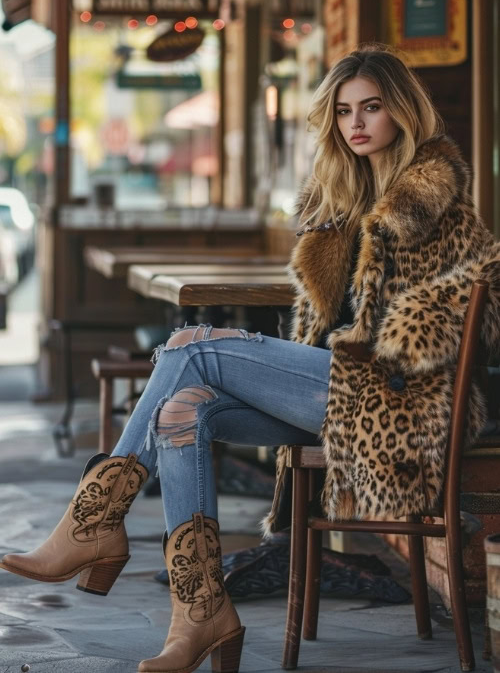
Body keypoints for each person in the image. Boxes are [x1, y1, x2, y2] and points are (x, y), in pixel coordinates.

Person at [1, 46, 499, 673]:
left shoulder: (434, 205)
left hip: (397, 408)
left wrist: (388, 337)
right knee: (183, 409)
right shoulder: (337, 209)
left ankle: (94, 521)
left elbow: (464, 319)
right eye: (344, 111)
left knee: (194, 347)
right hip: (330, 399)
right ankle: (201, 612)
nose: (357, 123)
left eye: (371, 107)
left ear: (403, 110)